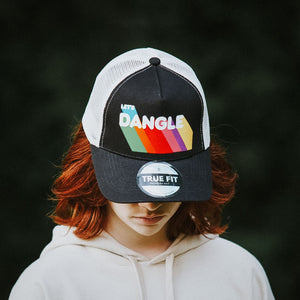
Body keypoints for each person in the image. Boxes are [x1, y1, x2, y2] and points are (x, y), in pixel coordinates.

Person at [9, 48, 275, 300]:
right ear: (90, 165)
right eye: (130, 183)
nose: (151, 204)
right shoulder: (47, 284)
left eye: (170, 182)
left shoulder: (241, 274)